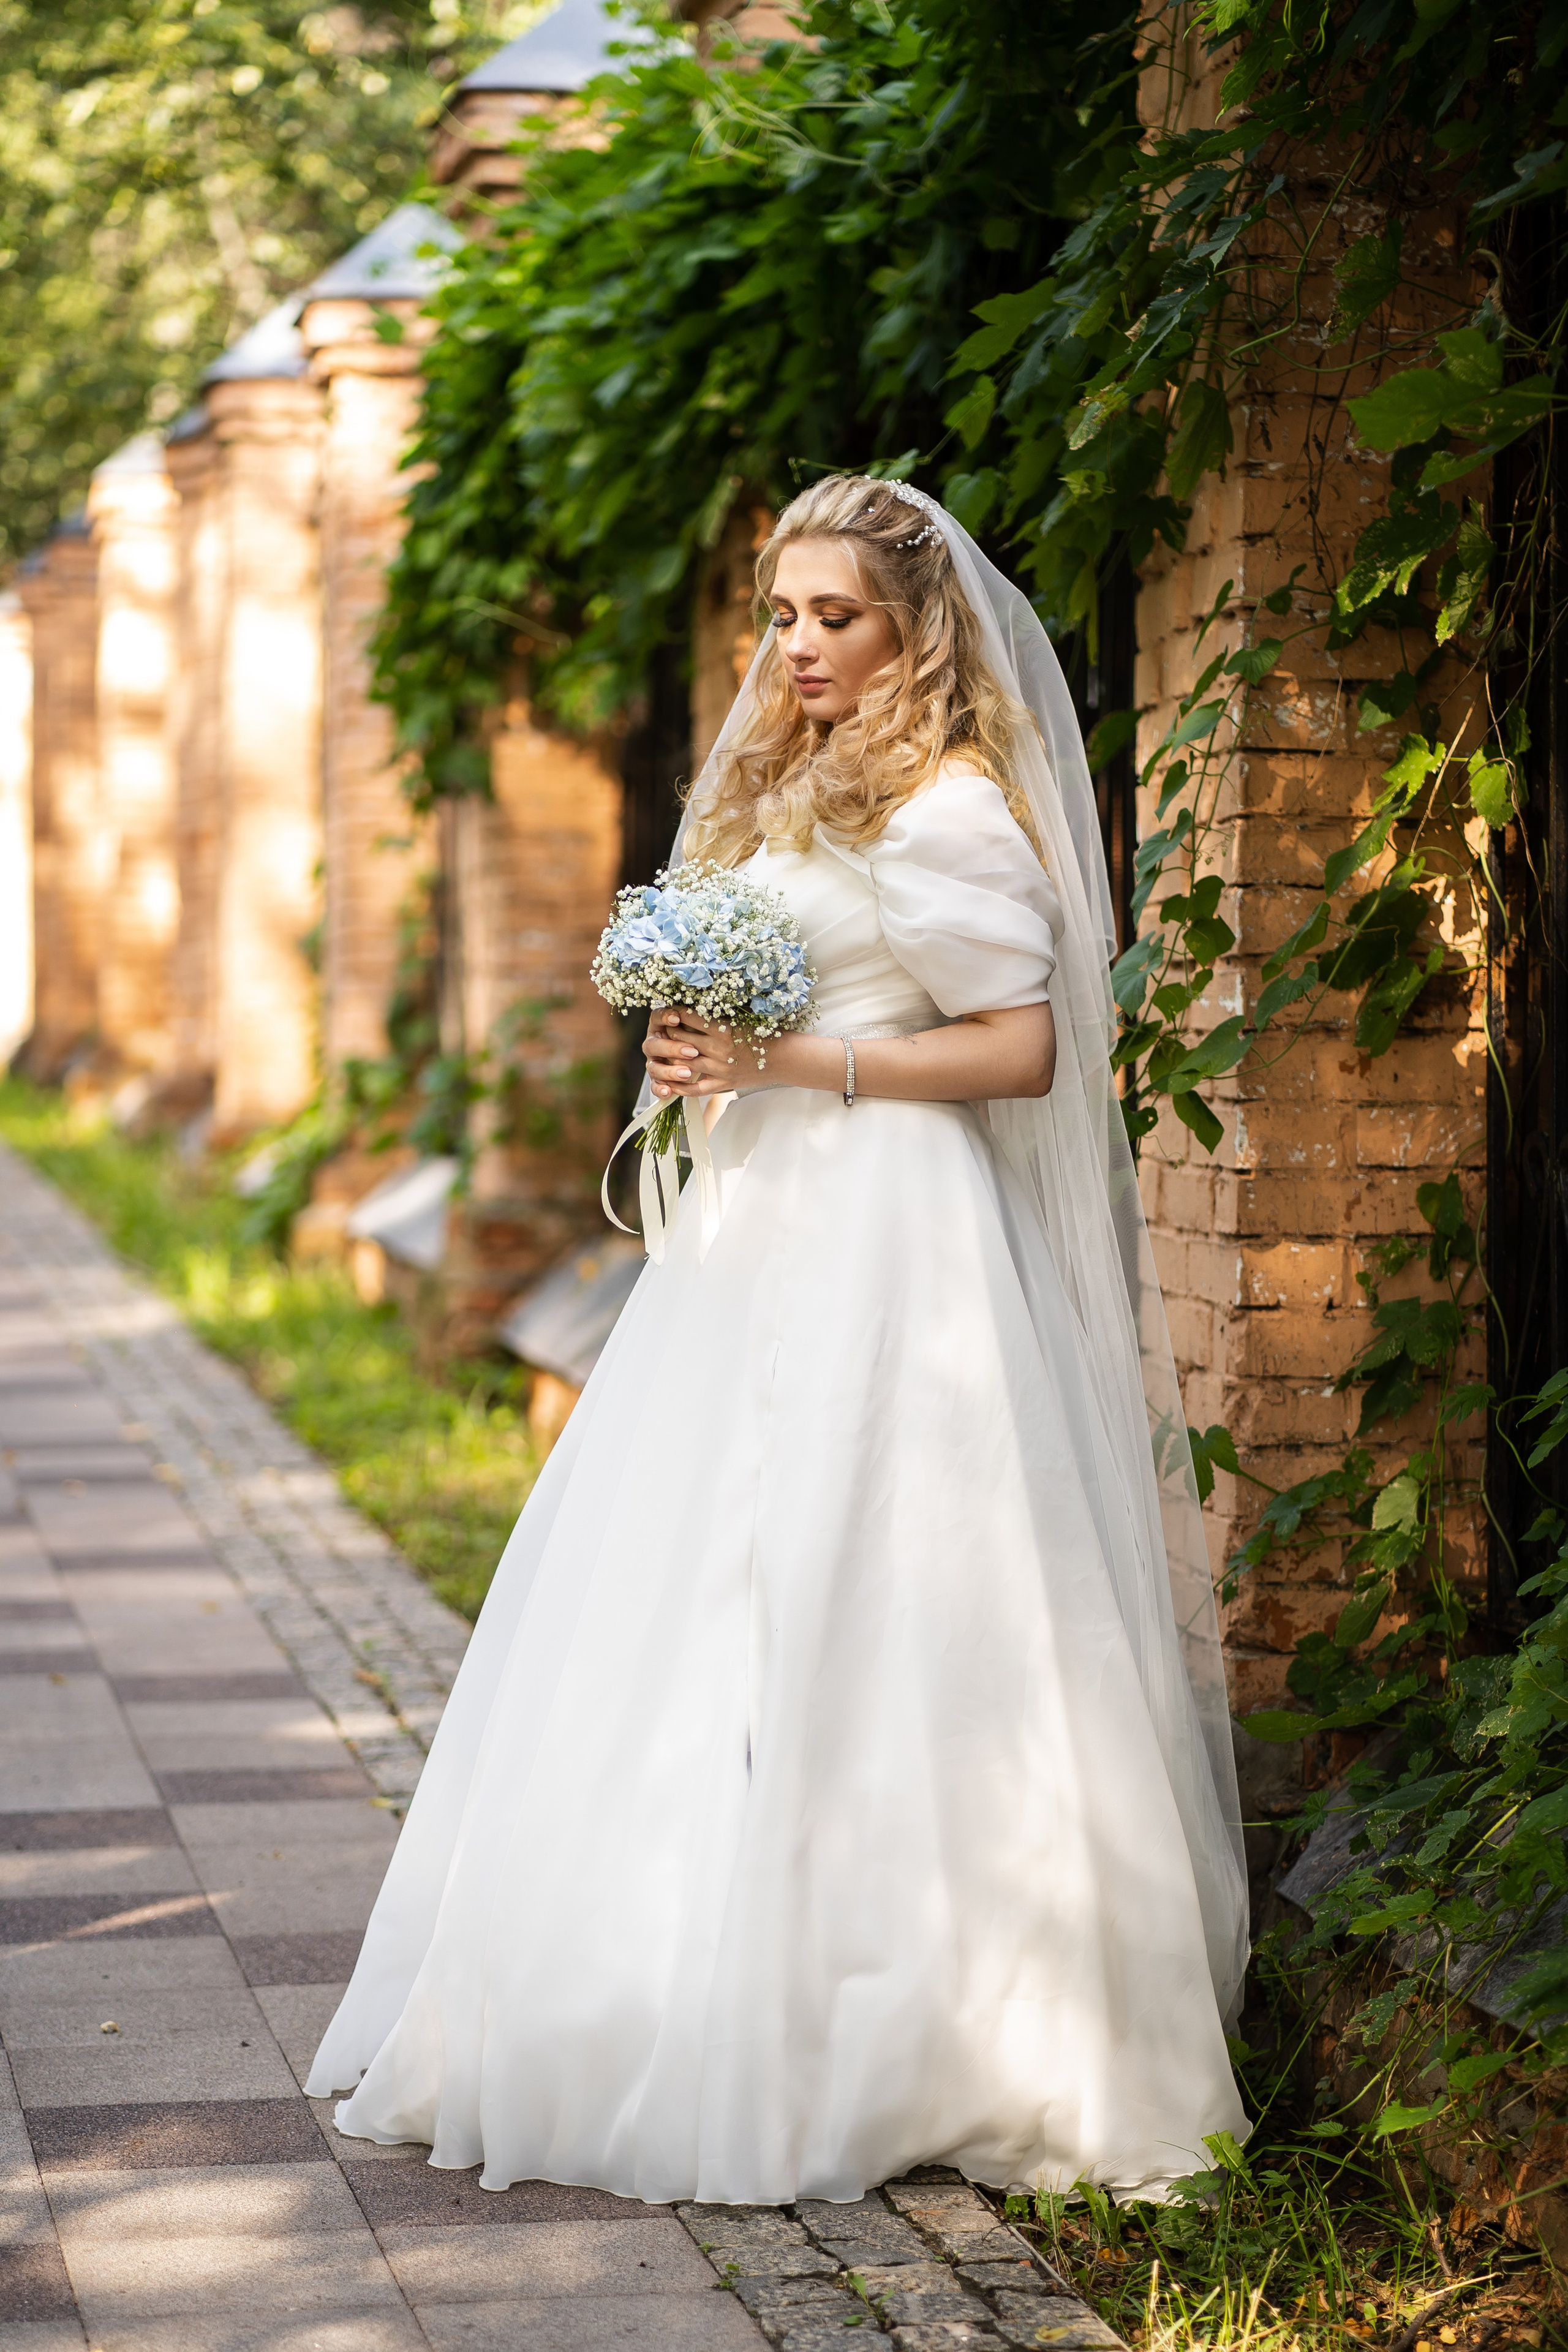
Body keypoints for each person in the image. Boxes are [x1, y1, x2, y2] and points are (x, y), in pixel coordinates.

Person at [306, 475, 1250, 2206]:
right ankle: (698, 1957)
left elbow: (1021, 1051)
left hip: (894, 1228)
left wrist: (789, 1063)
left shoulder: (959, 810)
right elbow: (782, 993)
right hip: (760, 1230)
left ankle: (922, 2012)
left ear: (916, 632)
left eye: (841, 619)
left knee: (885, 1584)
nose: (803, 648)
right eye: (787, 615)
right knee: (711, 1580)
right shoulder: (795, 785)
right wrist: (695, 1048)